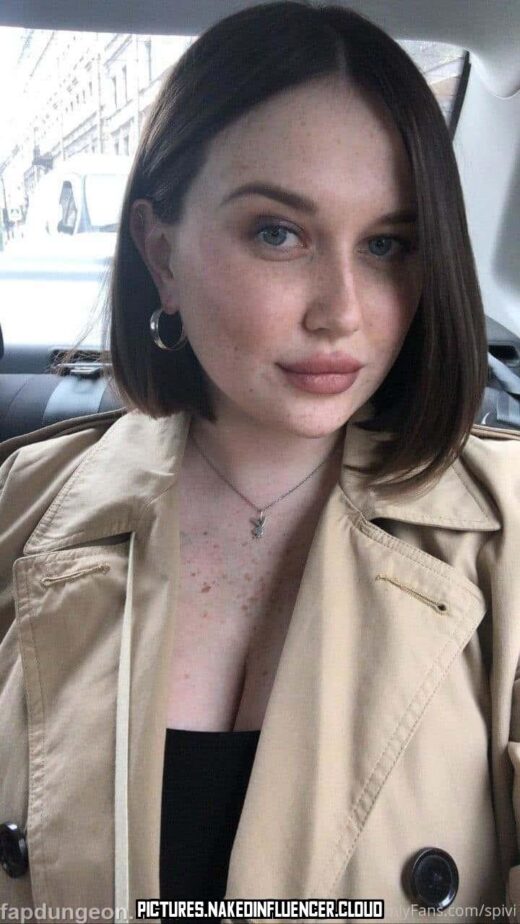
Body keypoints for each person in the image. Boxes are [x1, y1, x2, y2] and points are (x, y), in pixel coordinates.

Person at [1, 1, 520, 922]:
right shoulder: (18, 512)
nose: (342, 311)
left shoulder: (509, 534)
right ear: (162, 254)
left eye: (388, 245)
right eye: (279, 233)